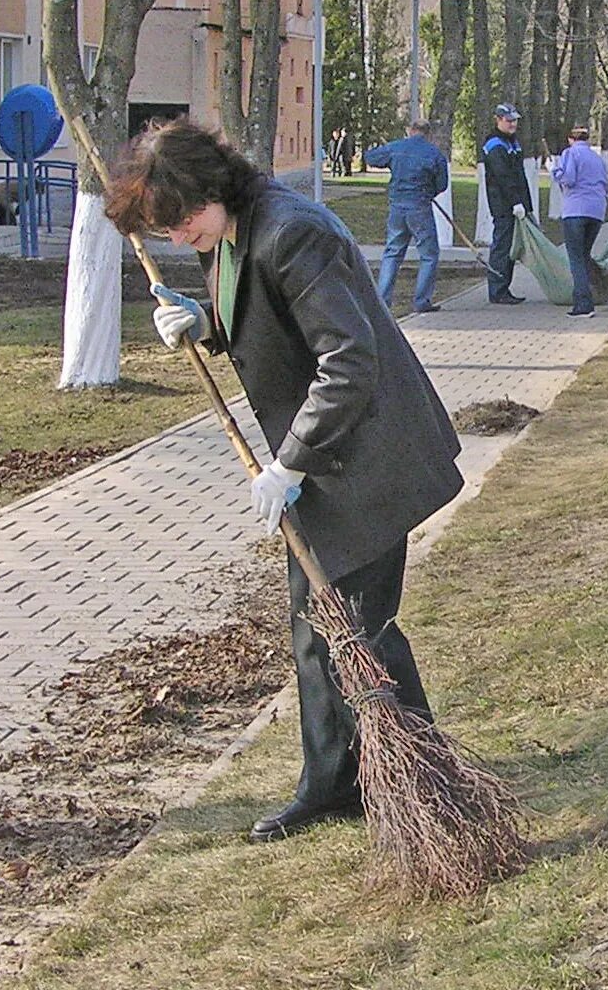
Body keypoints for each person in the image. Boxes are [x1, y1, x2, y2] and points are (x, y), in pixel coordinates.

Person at [103, 117, 464, 843]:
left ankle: (425, 778)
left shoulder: (292, 231)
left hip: (364, 459)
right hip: (328, 465)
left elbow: (347, 361)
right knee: (317, 628)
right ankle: (334, 783)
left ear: (213, 188)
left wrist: (289, 463)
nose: (177, 237)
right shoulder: (236, 230)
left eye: (181, 220)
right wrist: (202, 323)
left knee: (358, 627)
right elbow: (265, 317)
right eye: (163, 228)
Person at [363, 120, 449, 313]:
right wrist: (429, 193)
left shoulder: (396, 147)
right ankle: (421, 301)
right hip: (420, 206)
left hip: (397, 207)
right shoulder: (434, 154)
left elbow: (371, 158)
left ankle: (382, 301)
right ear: (429, 134)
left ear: (411, 131)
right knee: (429, 254)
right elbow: (442, 184)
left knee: (392, 252)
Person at [552, 125, 608, 318]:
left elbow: (568, 178)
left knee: (576, 257)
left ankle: (584, 304)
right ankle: (591, 291)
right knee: (584, 255)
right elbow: (605, 185)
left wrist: (554, 171)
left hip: (575, 210)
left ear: (570, 139)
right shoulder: (597, 158)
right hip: (597, 211)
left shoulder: (570, 153)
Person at [481, 103, 532, 305]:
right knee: (502, 247)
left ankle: (504, 288)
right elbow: (503, 177)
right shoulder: (495, 145)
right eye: (509, 120)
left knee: (510, 247)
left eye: (515, 120)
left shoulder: (511, 142)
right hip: (503, 205)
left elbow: (519, 176)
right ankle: (497, 290)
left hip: (515, 204)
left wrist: (526, 204)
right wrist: (515, 202)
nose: (513, 124)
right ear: (498, 119)